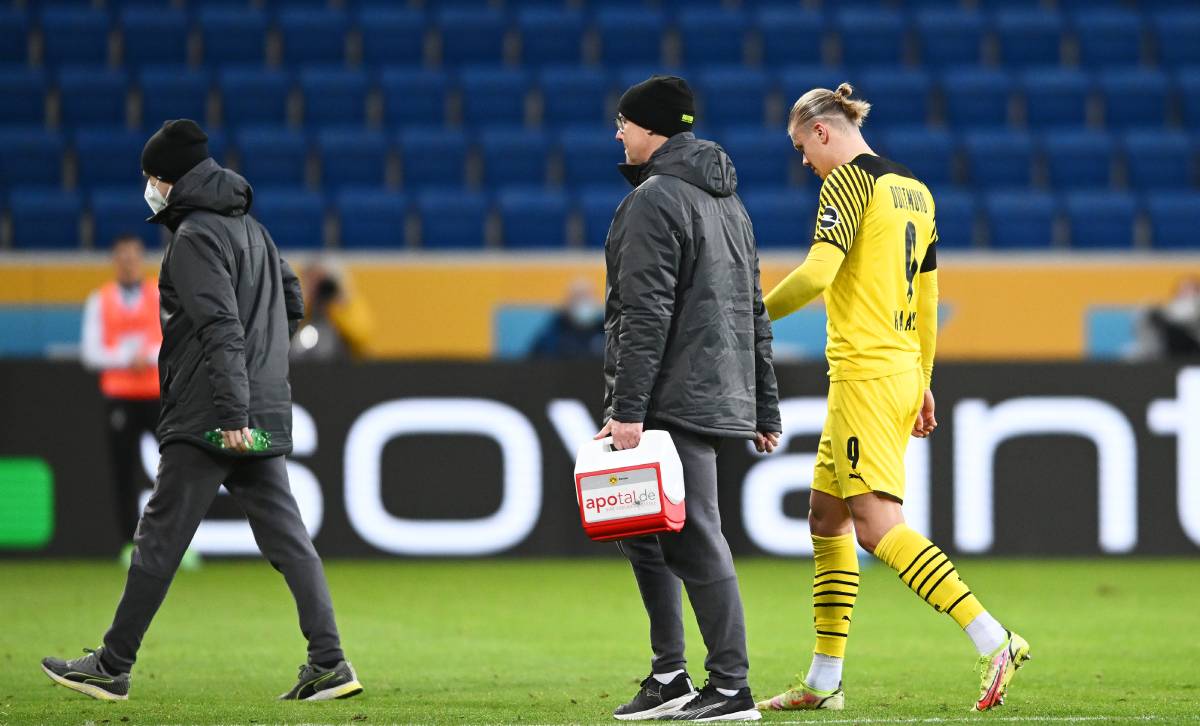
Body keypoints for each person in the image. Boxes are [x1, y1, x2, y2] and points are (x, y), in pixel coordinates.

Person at [41, 119, 363, 703]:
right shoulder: (254, 231)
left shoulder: (192, 238)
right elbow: (292, 301)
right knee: (290, 541)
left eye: (150, 178)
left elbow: (218, 325)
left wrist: (233, 409)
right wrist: (261, 370)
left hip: (212, 414)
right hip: (257, 409)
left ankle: (111, 664)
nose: (149, 188)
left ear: (168, 179)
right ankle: (330, 661)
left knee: (159, 539)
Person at [754, 84, 1029, 714]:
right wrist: (925, 377)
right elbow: (929, 297)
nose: (804, 163)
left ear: (823, 132)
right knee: (827, 518)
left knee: (877, 528)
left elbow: (820, 274)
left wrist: (751, 318)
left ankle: (995, 639)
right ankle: (824, 683)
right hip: (900, 368)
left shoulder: (848, 184)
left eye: (802, 148)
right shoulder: (917, 190)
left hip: (867, 373)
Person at [596, 75, 782, 722]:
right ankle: (670, 675)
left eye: (624, 122)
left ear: (651, 129)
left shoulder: (656, 201)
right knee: (645, 535)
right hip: (712, 386)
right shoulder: (730, 205)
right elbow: (752, 310)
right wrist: (764, 405)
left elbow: (643, 314)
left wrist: (627, 409)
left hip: (673, 394)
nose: (617, 132)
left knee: (693, 537)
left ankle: (731, 688)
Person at [80, 234, 162, 560]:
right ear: (114, 261)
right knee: (124, 472)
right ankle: (131, 545)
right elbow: (90, 353)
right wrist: (128, 359)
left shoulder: (161, 294)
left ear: (140, 258)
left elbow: (177, 340)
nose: (128, 262)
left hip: (157, 394)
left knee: (176, 468)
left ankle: (177, 541)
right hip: (121, 397)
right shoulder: (100, 300)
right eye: (122, 256)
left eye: (133, 255)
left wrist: (150, 356)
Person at [289, 259, 373, 362]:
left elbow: (362, 335)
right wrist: (306, 302)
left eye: (322, 280)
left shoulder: (346, 306)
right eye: (313, 280)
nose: (320, 288)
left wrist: (337, 305)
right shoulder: (299, 308)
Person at [529, 278, 606, 359]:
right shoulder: (553, 335)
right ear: (567, 302)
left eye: (587, 296)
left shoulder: (605, 333)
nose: (583, 302)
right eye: (578, 297)